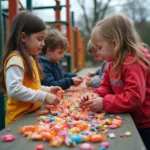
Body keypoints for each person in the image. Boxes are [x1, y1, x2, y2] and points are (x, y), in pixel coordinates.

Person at [80, 15, 150, 150]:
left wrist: (104, 102)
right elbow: (106, 86)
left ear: (114, 43)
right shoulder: (112, 63)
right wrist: (95, 95)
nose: (98, 52)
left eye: (99, 47)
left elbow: (134, 97)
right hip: (127, 116)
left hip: (144, 123)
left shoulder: (133, 61)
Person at [0, 11, 61, 126]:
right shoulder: (16, 59)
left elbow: (31, 86)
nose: (43, 44)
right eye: (39, 39)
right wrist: (44, 96)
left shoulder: (29, 58)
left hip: (29, 115)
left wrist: (48, 90)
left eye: (43, 40)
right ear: (23, 37)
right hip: (18, 121)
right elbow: (14, 89)